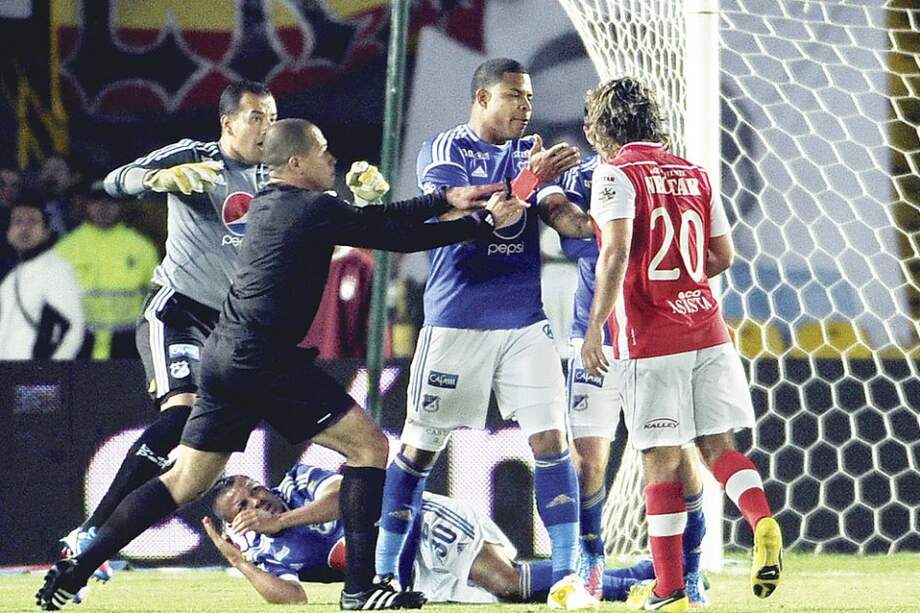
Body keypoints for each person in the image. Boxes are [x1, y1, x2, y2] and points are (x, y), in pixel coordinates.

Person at [35, 117, 526, 612]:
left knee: (184, 481)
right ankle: (362, 590)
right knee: (369, 448)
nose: (331, 159)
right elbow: (392, 235)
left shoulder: (275, 203)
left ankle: (75, 569)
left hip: (225, 356)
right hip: (262, 357)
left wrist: (445, 200)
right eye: (323, 150)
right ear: (296, 163)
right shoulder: (310, 207)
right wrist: (482, 223)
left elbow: (383, 222)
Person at [373, 58, 599, 611]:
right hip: (457, 324)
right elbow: (471, 222)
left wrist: (593, 226)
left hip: (524, 322)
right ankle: (384, 575)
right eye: (514, 96)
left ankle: (568, 577)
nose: (526, 106)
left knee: (552, 442)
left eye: (530, 97)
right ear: (481, 99)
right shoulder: (446, 152)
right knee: (419, 450)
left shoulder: (532, 152)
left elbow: (554, 208)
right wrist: (530, 179)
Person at [57, 80, 276, 580]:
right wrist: (160, 179)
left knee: (202, 451)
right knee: (181, 413)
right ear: (228, 122)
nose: (266, 127)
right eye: (256, 117)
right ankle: (92, 532)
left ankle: (101, 539)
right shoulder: (193, 156)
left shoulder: (273, 173)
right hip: (175, 310)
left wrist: (359, 198)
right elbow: (114, 181)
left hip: (232, 328)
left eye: (271, 117)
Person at [580, 77, 783, 612]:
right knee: (719, 447)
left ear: (604, 128)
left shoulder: (614, 172)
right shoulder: (695, 174)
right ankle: (761, 519)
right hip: (709, 330)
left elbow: (615, 252)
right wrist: (684, 280)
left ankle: (668, 589)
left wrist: (595, 326)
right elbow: (723, 257)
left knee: (659, 460)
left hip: (652, 338)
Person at [546, 136, 708, 606]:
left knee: (674, 459)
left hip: (654, 337)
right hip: (592, 337)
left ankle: (691, 573)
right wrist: (546, 195)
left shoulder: (668, 181)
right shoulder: (584, 179)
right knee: (585, 459)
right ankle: (591, 563)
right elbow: (574, 229)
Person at [203, 462, 654, 606]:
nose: (256, 501)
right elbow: (292, 599)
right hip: (405, 571)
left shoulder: (298, 480)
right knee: (507, 589)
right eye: (241, 505)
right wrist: (240, 562)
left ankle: (639, 584)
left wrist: (283, 519)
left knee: (508, 583)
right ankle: (643, 572)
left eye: (253, 490)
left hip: (415, 522)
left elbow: (345, 495)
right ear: (232, 523)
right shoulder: (266, 552)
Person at [56, 182, 160, 359]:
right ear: (86, 205)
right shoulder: (66, 248)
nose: (103, 207)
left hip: (128, 341)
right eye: (96, 201)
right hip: (79, 340)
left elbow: (155, 297)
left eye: (110, 202)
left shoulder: (141, 247)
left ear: (120, 205)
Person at [0, 202, 84, 359]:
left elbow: (73, 330)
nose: (24, 228)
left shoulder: (57, 270)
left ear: (46, 231)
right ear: (8, 232)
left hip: (35, 378)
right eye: (18, 222)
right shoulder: (12, 276)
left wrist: (49, 375)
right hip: (9, 375)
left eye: (32, 221)